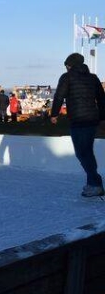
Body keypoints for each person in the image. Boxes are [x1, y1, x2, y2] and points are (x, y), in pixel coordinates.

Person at [50, 53, 105, 197]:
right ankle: (92, 184)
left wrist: (54, 114)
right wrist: (102, 117)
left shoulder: (66, 77)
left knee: (82, 153)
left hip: (78, 120)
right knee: (87, 151)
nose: (66, 67)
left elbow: (59, 97)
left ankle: (95, 184)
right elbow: (101, 99)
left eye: (67, 65)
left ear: (70, 65)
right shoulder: (93, 78)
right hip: (92, 120)